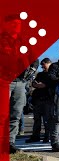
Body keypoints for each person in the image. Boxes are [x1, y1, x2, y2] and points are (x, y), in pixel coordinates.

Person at [0, 14, 39, 153]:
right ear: (6, 25)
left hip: (20, 82)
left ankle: (9, 143)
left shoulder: (24, 42)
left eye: (18, 24)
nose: (16, 27)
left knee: (16, 113)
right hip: (4, 81)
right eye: (13, 24)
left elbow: (34, 59)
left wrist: (33, 70)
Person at [25, 58, 52, 143]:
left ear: (49, 63)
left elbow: (52, 84)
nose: (42, 66)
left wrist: (44, 85)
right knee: (37, 120)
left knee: (47, 120)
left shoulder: (52, 74)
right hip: (37, 100)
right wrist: (36, 85)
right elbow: (33, 82)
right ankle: (35, 136)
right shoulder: (40, 74)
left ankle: (47, 136)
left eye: (44, 64)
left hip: (47, 100)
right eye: (41, 65)